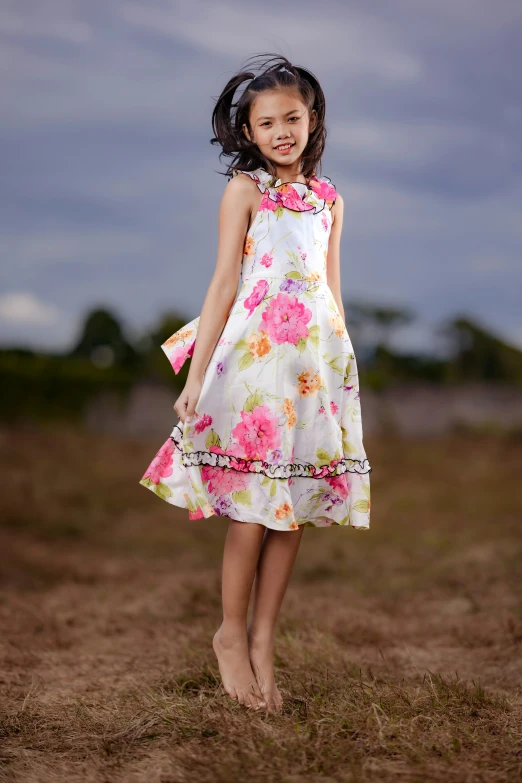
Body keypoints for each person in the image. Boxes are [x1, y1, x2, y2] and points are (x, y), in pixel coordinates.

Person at [139, 53, 372, 713]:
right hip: (254, 375)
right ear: (247, 131)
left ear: (312, 119)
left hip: (310, 378)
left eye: (291, 118)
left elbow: (331, 295)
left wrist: (341, 378)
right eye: (266, 122)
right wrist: (195, 376)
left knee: (291, 513)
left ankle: (266, 640)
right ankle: (230, 633)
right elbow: (222, 284)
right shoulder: (246, 191)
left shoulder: (330, 201)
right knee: (250, 513)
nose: (280, 132)